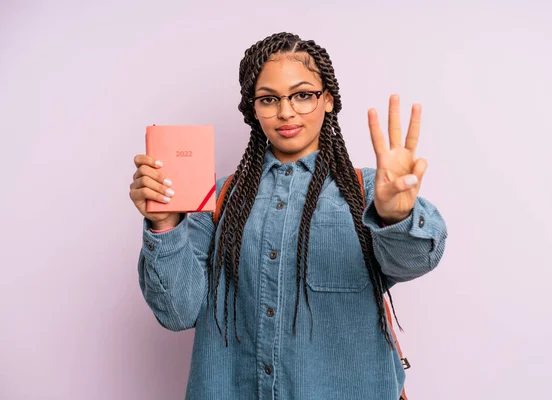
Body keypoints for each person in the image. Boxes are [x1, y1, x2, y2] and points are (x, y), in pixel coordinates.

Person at [129, 32, 448, 400]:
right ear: (253, 109)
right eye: (269, 99)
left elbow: (416, 261)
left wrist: (395, 215)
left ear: (327, 99)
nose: (285, 111)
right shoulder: (215, 199)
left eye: (302, 95)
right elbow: (176, 312)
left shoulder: (369, 192)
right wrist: (165, 224)